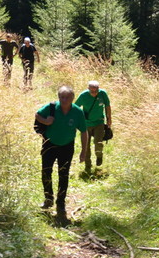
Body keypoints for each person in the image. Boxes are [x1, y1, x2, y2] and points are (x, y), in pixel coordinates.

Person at [35, 86, 89, 224]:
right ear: (59, 97)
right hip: (49, 144)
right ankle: (48, 199)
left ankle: (60, 202)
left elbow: (84, 131)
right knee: (46, 171)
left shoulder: (77, 112)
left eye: (67, 97)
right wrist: (46, 121)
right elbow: (37, 115)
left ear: (72, 98)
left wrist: (84, 151)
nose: (64, 100)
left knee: (63, 174)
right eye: (62, 97)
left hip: (67, 146)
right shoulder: (51, 107)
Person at [75, 80, 112, 172]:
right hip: (86, 124)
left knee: (98, 143)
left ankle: (99, 156)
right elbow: (75, 107)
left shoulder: (103, 94)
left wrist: (109, 119)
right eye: (92, 91)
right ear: (88, 89)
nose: (94, 93)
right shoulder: (83, 96)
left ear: (99, 89)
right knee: (86, 146)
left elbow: (107, 106)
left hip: (99, 122)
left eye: (96, 91)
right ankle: (88, 166)